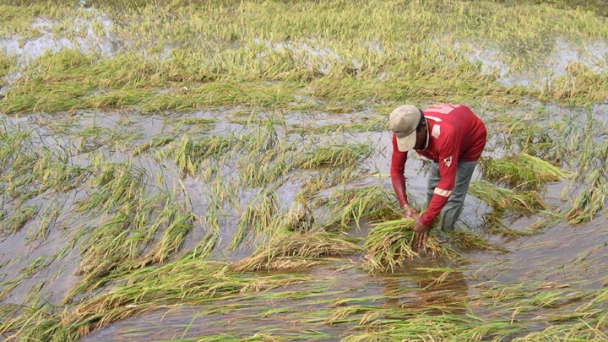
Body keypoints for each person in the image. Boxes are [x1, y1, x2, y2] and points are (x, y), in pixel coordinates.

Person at [389, 104, 486, 247]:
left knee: (453, 195)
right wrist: (404, 205)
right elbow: (396, 170)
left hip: (470, 141)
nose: (410, 146)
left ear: (423, 126)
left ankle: (444, 236)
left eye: (412, 140)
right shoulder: (403, 130)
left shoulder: (445, 134)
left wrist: (425, 220)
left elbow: (447, 183)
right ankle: (431, 220)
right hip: (441, 143)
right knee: (433, 186)